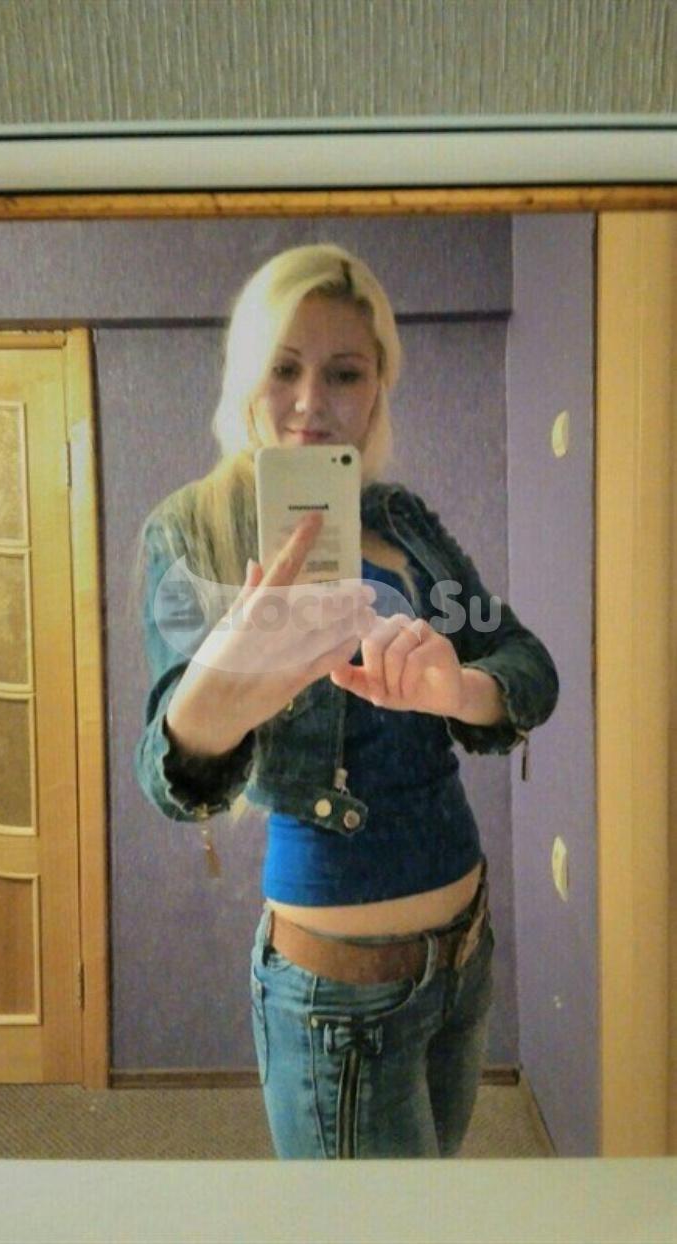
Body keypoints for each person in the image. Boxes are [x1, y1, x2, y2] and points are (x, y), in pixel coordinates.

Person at [133, 243, 559, 1159]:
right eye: (284, 368)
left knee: (427, 1207)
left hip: (465, 956)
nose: (309, 402)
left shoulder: (403, 519)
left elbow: (526, 662)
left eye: (344, 373)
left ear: (377, 390)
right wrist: (222, 691)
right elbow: (167, 771)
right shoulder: (193, 529)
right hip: (338, 997)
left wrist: (459, 687)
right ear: (247, 377)